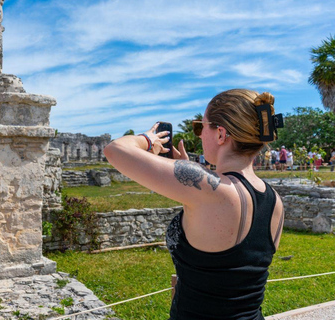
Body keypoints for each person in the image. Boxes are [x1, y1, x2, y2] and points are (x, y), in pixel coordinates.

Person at [104, 89, 284, 320]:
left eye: (200, 126)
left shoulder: (210, 190)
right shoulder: (274, 199)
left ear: (220, 134)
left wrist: (147, 139)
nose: (199, 135)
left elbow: (114, 149)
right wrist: (191, 175)